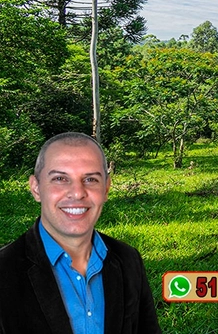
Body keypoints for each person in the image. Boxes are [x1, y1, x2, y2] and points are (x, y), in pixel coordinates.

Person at [0, 132, 161, 334]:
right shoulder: (4, 270)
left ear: (106, 188)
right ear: (36, 188)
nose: (77, 193)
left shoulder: (128, 260)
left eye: (91, 179)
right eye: (60, 178)